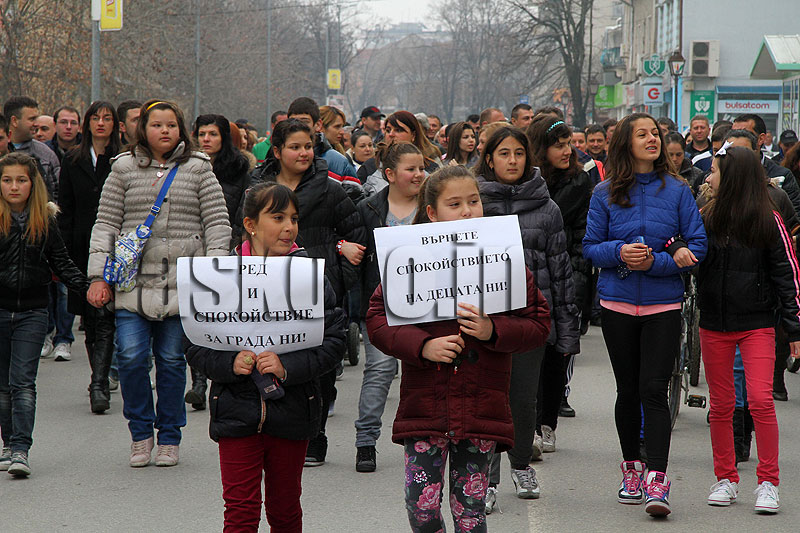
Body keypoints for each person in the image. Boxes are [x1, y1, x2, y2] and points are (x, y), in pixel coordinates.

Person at [366, 165, 552, 533]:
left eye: (474, 201)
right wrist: (423, 346)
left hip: (481, 403)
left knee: (470, 514)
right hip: (426, 404)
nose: (468, 210)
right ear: (432, 211)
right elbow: (377, 319)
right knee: (421, 510)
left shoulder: (503, 257)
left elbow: (539, 323)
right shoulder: (408, 257)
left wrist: (493, 329)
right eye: (455, 203)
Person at [185, 181, 344, 531]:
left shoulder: (310, 276)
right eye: (277, 217)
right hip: (235, 411)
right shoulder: (218, 276)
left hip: (293, 411)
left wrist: (287, 367)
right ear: (251, 224)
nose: (289, 227)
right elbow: (195, 344)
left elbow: (334, 340)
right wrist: (229, 364)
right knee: (240, 511)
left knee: (285, 510)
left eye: (294, 218)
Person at [87, 100, 231, 468]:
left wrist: (216, 271)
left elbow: (217, 222)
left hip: (183, 284)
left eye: (171, 125)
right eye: (156, 124)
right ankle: (140, 433)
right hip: (131, 282)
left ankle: (169, 437)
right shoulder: (122, 169)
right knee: (131, 358)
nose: (164, 131)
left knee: (170, 362)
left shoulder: (199, 169)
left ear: (180, 129)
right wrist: (97, 276)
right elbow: (105, 224)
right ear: (142, 129)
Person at [583, 112, 707, 517]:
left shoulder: (678, 190)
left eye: (655, 133)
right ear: (626, 143)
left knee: (654, 389)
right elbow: (590, 247)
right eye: (642, 134)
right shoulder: (603, 192)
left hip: (663, 304)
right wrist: (620, 253)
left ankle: (657, 477)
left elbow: (697, 245)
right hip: (617, 303)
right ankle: (631, 470)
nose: (652, 139)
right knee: (628, 390)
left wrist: (657, 262)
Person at [246, 118, 366, 467]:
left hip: (317, 287)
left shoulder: (329, 188)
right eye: (295, 146)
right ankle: (271, 427)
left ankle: (315, 435)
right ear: (278, 150)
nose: (303, 153)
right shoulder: (257, 187)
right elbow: (243, 231)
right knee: (271, 357)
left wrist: (338, 267)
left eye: (308, 146)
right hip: (265, 287)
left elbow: (356, 232)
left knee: (318, 364)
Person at [476, 125, 579, 507]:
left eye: (518, 153)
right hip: (481, 320)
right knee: (487, 400)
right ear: (489, 159)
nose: (512, 160)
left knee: (522, 399)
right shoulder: (474, 202)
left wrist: (565, 331)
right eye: (503, 153)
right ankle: (485, 478)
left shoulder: (546, 207)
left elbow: (560, 268)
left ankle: (521, 464)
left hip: (528, 321)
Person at [697, 145, 800, 513]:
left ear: (733, 176)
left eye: (713, 171)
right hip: (713, 324)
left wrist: (795, 329)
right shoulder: (706, 217)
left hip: (757, 324)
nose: (707, 177)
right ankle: (725, 478)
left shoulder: (769, 220)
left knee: (759, 399)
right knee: (722, 405)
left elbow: (787, 275)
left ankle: (768, 482)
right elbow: (691, 260)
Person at [0, 152, 91, 476]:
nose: (14, 187)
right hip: (0, 308)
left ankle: (22, 450)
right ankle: (8, 444)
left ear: (32, 183)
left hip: (34, 312)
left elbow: (62, 262)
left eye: (21, 180)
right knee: (2, 385)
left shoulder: (45, 220)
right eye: (7, 180)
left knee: (23, 382)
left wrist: (89, 288)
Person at [354, 142, 425, 473]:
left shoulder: (432, 208)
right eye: (411, 169)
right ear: (390, 174)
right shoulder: (368, 209)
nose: (419, 174)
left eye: (422, 168)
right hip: (380, 302)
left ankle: (422, 438)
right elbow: (354, 252)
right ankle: (366, 441)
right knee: (380, 370)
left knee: (422, 370)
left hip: (425, 303)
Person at [526, 115, 592, 440]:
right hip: (530, 276)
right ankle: (531, 425)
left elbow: (583, 236)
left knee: (556, 354)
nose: (567, 150)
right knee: (530, 356)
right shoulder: (527, 183)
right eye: (559, 145)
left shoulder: (580, 184)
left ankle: (548, 421)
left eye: (568, 144)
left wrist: (578, 281)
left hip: (564, 276)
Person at [58, 100, 121, 413]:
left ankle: (101, 380)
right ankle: (98, 375)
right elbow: (65, 208)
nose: (101, 123)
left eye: (107, 118)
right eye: (95, 118)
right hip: (81, 245)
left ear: (115, 124)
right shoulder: (73, 159)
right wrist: (63, 254)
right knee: (89, 315)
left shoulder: (122, 158)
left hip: (114, 246)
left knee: (106, 315)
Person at [287, 98, 362, 202]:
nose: (298, 127)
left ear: (318, 125)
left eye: (304, 122)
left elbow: (354, 206)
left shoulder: (339, 161)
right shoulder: (277, 157)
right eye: (337, 127)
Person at [732, 113, 800, 215]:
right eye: (733, 134)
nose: (737, 140)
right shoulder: (719, 172)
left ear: (761, 139)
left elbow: (794, 217)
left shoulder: (782, 175)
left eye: (744, 134)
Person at [3, 97, 59, 201]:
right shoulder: (2, 150)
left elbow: (56, 194)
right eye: (32, 119)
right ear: (14, 121)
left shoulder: (45, 154)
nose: (36, 124)